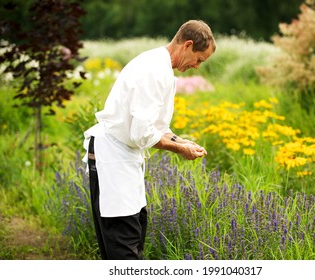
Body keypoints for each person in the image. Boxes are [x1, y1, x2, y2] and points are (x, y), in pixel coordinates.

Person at [83, 19, 216, 260]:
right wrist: (178, 149)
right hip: (112, 157)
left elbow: (155, 126)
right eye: (199, 59)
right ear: (187, 45)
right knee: (123, 244)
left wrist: (180, 140)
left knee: (135, 229)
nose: (197, 67)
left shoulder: (161, 67)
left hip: (125, 157)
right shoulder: (154, 71)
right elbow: (141, 133)